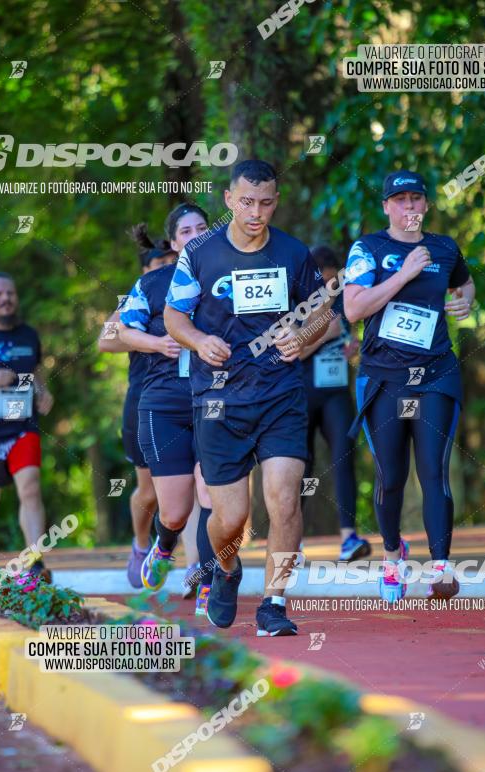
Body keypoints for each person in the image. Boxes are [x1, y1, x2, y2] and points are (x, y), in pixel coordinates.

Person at [165, 159, 335, 636]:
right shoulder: (199, 253)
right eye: (246, 202)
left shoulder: (293, 252)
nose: (255, 213)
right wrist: (198, 341)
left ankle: (274, 603)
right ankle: (226, 567)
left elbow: (323, 312)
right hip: (219, 398)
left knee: (284, 501)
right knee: (231, 518)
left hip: (280, 392)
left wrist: (303, 337)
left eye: (264, 203)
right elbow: (175, 316)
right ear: (228, 200)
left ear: (275, 202)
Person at [344, 170, 475, 602]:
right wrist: (404, 273)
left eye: (416, 199)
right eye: (399, 200)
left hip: (436, 372)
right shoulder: (368, 249)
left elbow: (464, 279)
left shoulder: (444, 247)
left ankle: (441, 568)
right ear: (386, 207)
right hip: (383, 378)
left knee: (434, 471)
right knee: (391, 475)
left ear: (427, 204)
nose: (409, 208)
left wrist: (465, 298)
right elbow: (353, 308)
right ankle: (392, 556)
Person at [119, 204, 214, 612]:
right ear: (174, 243)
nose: (194, 235)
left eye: (201, 228)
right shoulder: (154, 284)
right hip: (164, 402)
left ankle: (210, 579)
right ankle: (163, 545)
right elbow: (123, 330)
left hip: (215, 399)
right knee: (174, 511)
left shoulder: (230, 279)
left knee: (213, 493)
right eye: (185, 231)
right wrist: (158, 343)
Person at [98, 229, 177, 589]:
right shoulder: (138, 295)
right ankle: (141, 545)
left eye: (169, 263)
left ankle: (193, 566)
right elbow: (105, 341)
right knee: (149, 491)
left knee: (192, 483)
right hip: (144, 398)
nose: (165, 269)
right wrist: (152, 343)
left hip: (186, 397)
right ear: (145, 271)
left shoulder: (189, 289)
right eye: (158, 265)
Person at [0, 272, 54, 581]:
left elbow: (36, 371)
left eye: (11, 293)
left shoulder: (28, 335)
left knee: (30, 488)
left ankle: (35, 562)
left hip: (22, 425)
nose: (6, 298)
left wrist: (43, 392)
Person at [300, 244, 371, 563]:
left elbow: (347, 338)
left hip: (336, 391)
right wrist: (322, 334)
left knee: (345, 456)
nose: (328, 289)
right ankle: (291, 544)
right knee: (299, 466)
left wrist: (351, 346)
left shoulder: (345, 302)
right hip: (301, 393)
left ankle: (348, 539)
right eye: (322, 284)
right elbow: (294, 351)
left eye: (333, 283)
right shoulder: (296, 304)